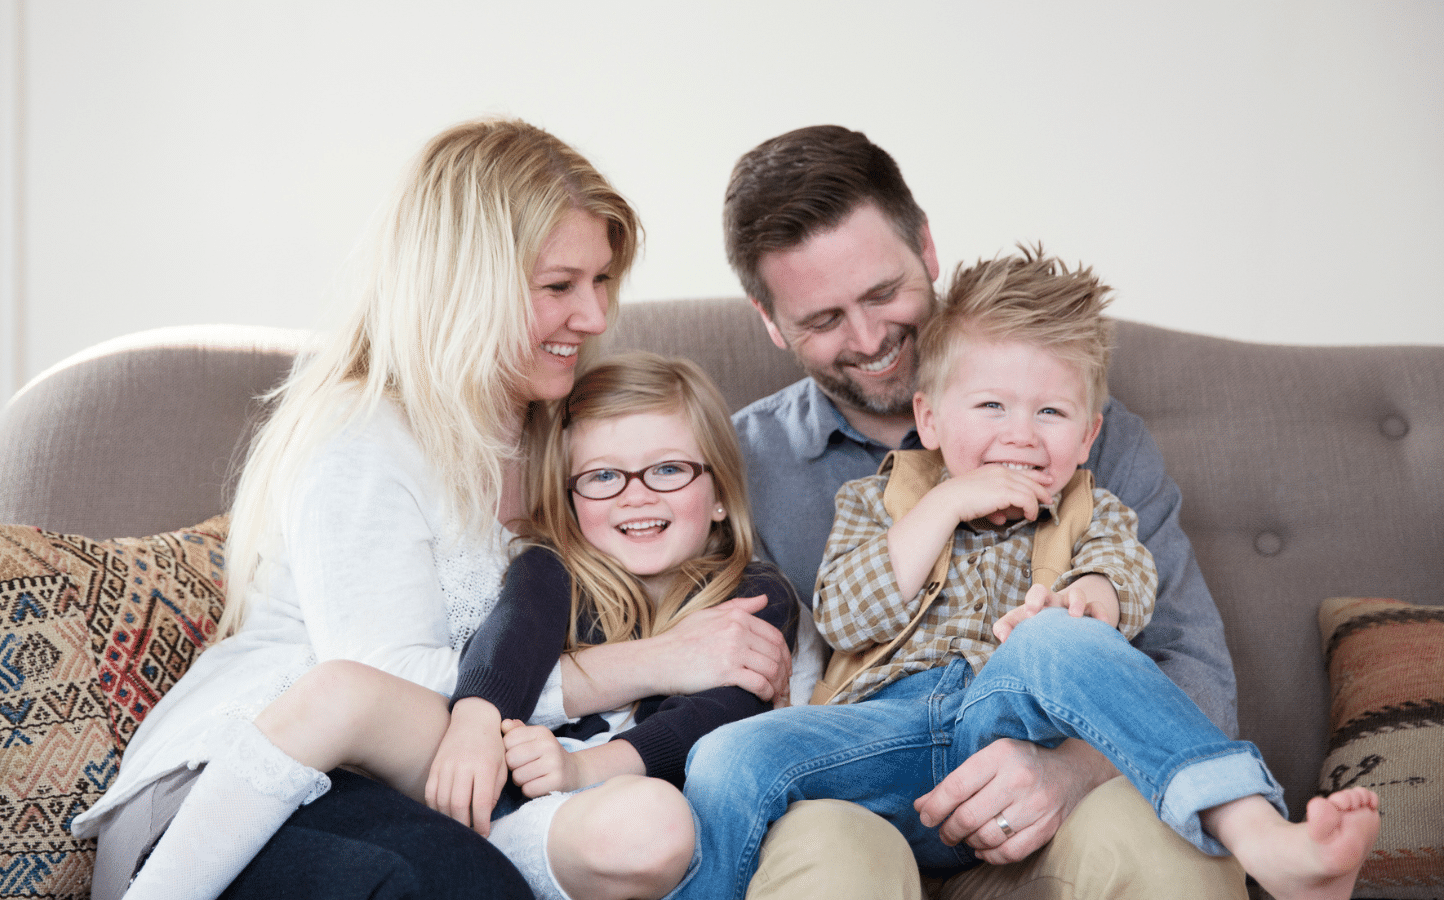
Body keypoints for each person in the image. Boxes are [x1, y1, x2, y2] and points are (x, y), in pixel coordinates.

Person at [69, 118, 791, 900]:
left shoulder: (572, 431)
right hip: (256, 786)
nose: (593, 317)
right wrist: (655, 661)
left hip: (450, 787)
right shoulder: (364, 434)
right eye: (559, 287)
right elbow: (377, 681)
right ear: (464, 286)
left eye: (603, 281)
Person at [678, 247, 1381, 900]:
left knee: (1054, 637)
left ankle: (1258, 832)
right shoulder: (875, 500)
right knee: (723, 758)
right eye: (990, 407)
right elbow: (845, 613)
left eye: (1050, 412)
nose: (1020, 434)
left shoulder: (1094, 508)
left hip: (1011, 719)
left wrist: (1087, 601)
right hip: (882, 736)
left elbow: (1127, 581)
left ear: (1087, 437)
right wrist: (947, 502)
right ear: (929, 417)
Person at [722, 125, 1247, 900]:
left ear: (927, 249)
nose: (870, 340)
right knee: (830, 856)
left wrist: (1070, 772)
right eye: (824, 320)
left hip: (1054, 790)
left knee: (1167, 850)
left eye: (881, 293)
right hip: (863, 788)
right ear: (771, 321)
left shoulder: (1081, 437)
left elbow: (1193, 665)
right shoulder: (743, 464)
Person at [434, 351, 799, 900]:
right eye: (603, 475)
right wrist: (475, 720)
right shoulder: (549, 570)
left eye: (669, 469)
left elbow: (716, 717)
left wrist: (580, 770)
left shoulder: (754, 596)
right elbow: (506, 645)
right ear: (571, 498)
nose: (636, 493)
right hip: (547, 827)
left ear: (720, 492)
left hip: (670, 838)